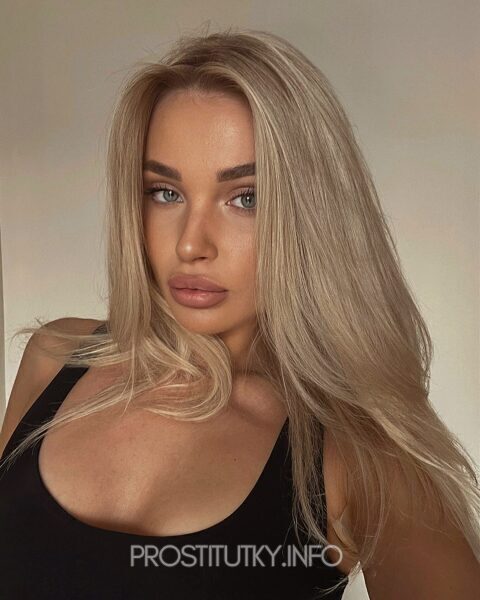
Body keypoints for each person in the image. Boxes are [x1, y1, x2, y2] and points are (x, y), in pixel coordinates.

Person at [1, 27, 479, 600]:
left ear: (312, 213)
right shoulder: (55, 358)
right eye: (165, 193)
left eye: (245, 199)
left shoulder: (360, 458)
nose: (190, 244)